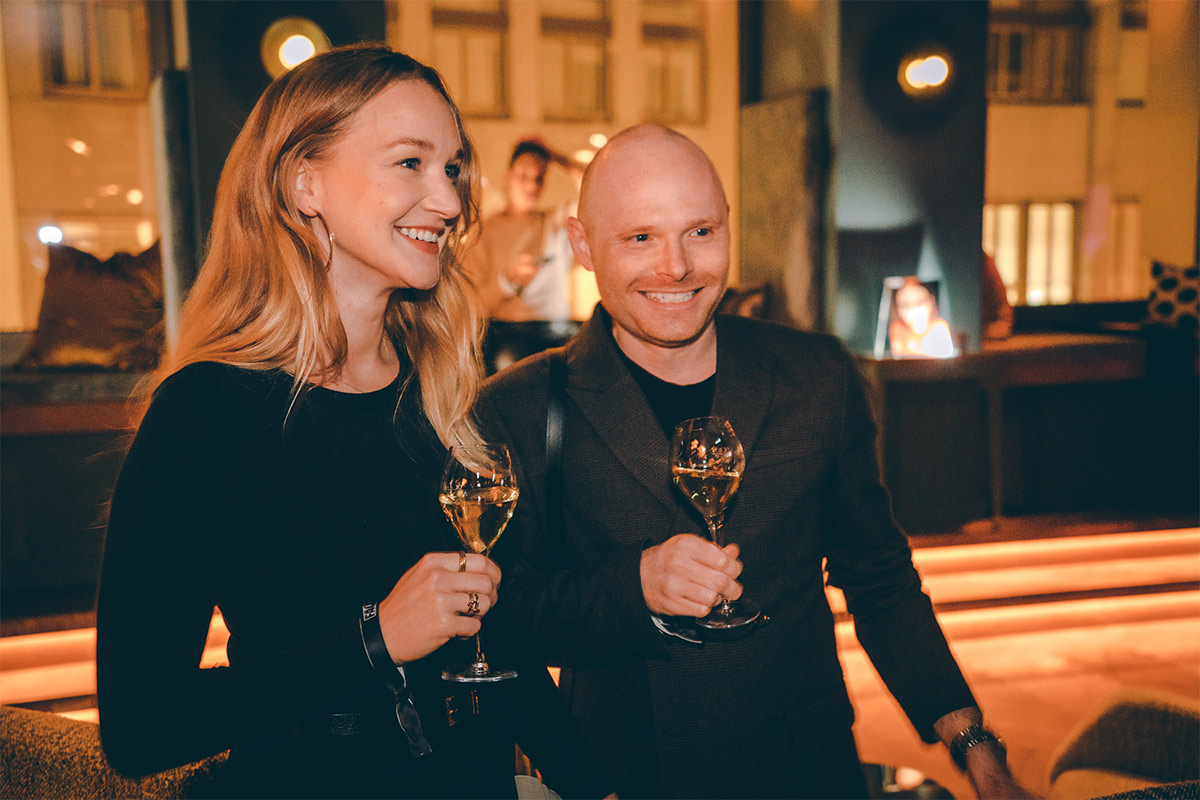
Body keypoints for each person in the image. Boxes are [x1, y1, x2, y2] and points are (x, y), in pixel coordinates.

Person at [95, 45, 612, 800]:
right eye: (410, 163)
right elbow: (141, 727)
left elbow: (489, 637)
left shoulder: (440, 391)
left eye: (453, 168)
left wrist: (589, 784)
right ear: (305, 182)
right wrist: (376, 639)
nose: (448, 200)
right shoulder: (206, 412)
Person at [478, 125, 1034, 799]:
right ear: (583, 245)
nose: (676, 266)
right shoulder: (520, 406)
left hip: (805, 770)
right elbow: (506, 617)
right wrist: (634, 586)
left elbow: (879, 576)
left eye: (700, 231)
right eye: (640, 237)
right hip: (628, 777)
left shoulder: (816, 375)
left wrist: (975, 748)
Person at [464, 138, 582, 372]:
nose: (532, 185)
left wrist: (556, 156)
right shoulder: (484, 232)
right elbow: (474, 306)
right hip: (508, 329)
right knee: (512, 368)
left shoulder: (554, 222)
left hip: (556, 325)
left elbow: (594, 189)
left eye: (539, 178)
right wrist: (508, 281)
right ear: (508, 177)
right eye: (524, 176)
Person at [889, 276, 955, 358]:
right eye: (905, 305)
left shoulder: (939, 327)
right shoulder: (897, 329)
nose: (912, 310)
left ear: (931, 302)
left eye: (919, 303)